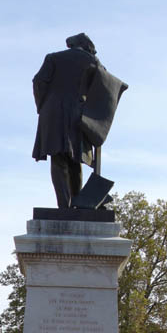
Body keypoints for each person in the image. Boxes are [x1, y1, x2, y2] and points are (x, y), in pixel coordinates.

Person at [32, 33, 99, 208]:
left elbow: (38, 82)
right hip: (79, 114)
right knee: (76, 160)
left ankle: (64, 206)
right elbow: (104, 89)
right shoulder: (92, 61)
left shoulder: (53, 58)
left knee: (59, 158)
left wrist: (43, 106)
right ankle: (78, 204)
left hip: (52, 113)